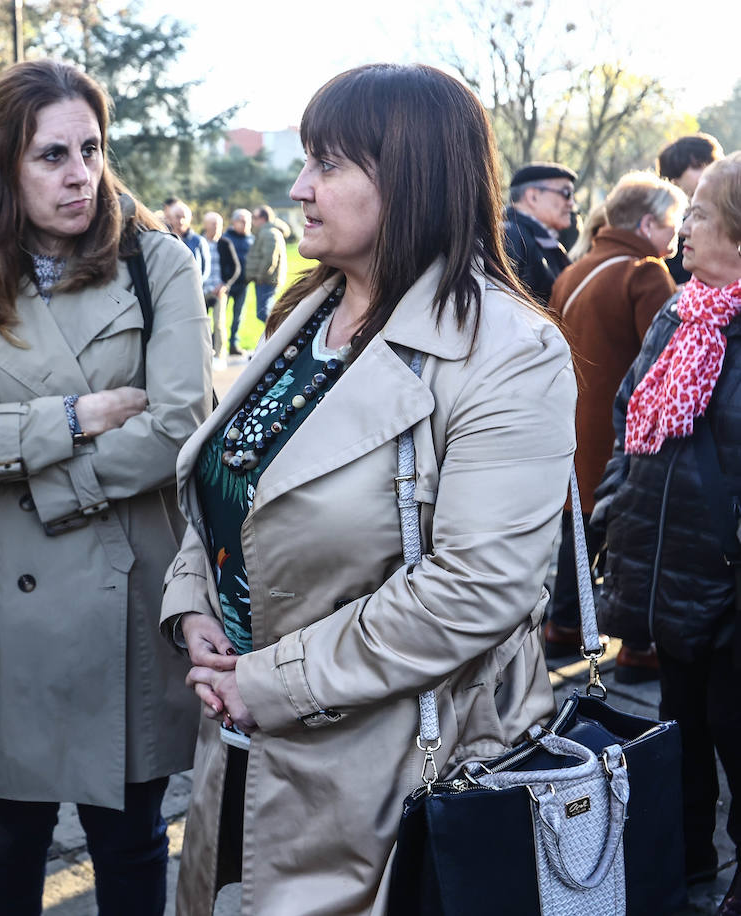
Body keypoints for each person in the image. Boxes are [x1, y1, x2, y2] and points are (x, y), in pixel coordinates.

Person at [162, 63, 574, 915]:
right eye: (307, 160)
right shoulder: (303, 314)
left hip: (387, 771)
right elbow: (231, 488)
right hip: (239, 744)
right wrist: (192, 605)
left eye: (329, 164)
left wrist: (268, 683)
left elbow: (480, 586)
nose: (299, 186)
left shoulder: (507, 352)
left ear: (414, 177)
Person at [0, 59, 211, 914]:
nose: (81, 175)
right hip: (5, 600)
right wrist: (75, 416)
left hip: (125, 592)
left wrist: (26, 468)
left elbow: (180, 427)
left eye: (92, 150)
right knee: (6, 836)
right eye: (51, 156)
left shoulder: (158, 262)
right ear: (4, 164)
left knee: (132, 840)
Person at [593, 152, 741, 916]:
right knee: (677, 729)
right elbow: (630, 419)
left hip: (728, 587)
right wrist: (613, 505)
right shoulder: (682, 313)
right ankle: (682, 868)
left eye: (704, 218)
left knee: (732, 734)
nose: (686, 231)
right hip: (667, 573)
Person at [542, 170, 687, 681]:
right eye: (672, 224)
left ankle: (562, 625)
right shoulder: (645, 274)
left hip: (574, 427)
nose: (678, 235)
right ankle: (638, 648)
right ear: (647, 223)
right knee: (631, 536)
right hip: (622, 434)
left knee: (577, 528)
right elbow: (667, 362)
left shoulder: (576, 268)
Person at [502, 161, 577, 304]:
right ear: (533, 197)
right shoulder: (511, 236)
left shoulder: (536, 239)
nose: (572, 203)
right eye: (566, 193)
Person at [658, 133, 725, 285]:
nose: (708, 170)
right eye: (698, 166)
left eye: (712, 163)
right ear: (673, 179)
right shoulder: (662, 225)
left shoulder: (730, 216)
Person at [202, 210, 241, 365]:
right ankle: (203, 353)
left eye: (219, 224)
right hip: (201, 290)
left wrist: (225, 284)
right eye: (213, 224)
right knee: (201, 324)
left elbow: (236, 268)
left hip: (219, 290)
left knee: (219, 323)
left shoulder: (225, 243)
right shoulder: (200, 242)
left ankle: (219, 356)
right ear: (206, 225)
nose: (217, 227)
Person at [245, 204, 289, 324]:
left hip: (266, 280)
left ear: (263, 218)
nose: (252, 220)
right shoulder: (267, 232)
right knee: (266, 313)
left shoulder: (269, 233)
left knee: (264, 313)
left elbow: (269, 259)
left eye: (255, 217)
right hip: (267, 280)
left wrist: (260, 277)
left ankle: (282, 335)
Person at [223, 208, 253, 354]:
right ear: (234, 222)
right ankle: (217, 344)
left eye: (248, 221)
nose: (246, 224)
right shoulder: (225, 238)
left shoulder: (251, 239)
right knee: (220, 317)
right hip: (226, 284)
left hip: (243, 284)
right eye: (242, 221)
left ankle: (234, 344)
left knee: (238, 317)